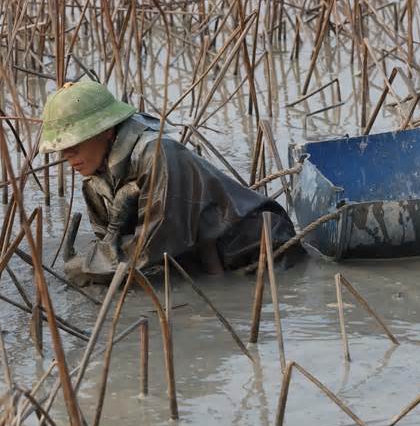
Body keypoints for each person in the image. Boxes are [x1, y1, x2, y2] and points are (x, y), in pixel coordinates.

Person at [39, 81, 302, 285]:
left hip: (257, 255)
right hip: (200, 265)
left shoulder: (159, 155)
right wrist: (100, 254)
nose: (66, 156)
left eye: (73, 145)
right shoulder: (94, 183)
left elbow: (148, 251)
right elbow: (112, 251)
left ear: (107, 131)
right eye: (62, 149)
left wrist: (85, 266)